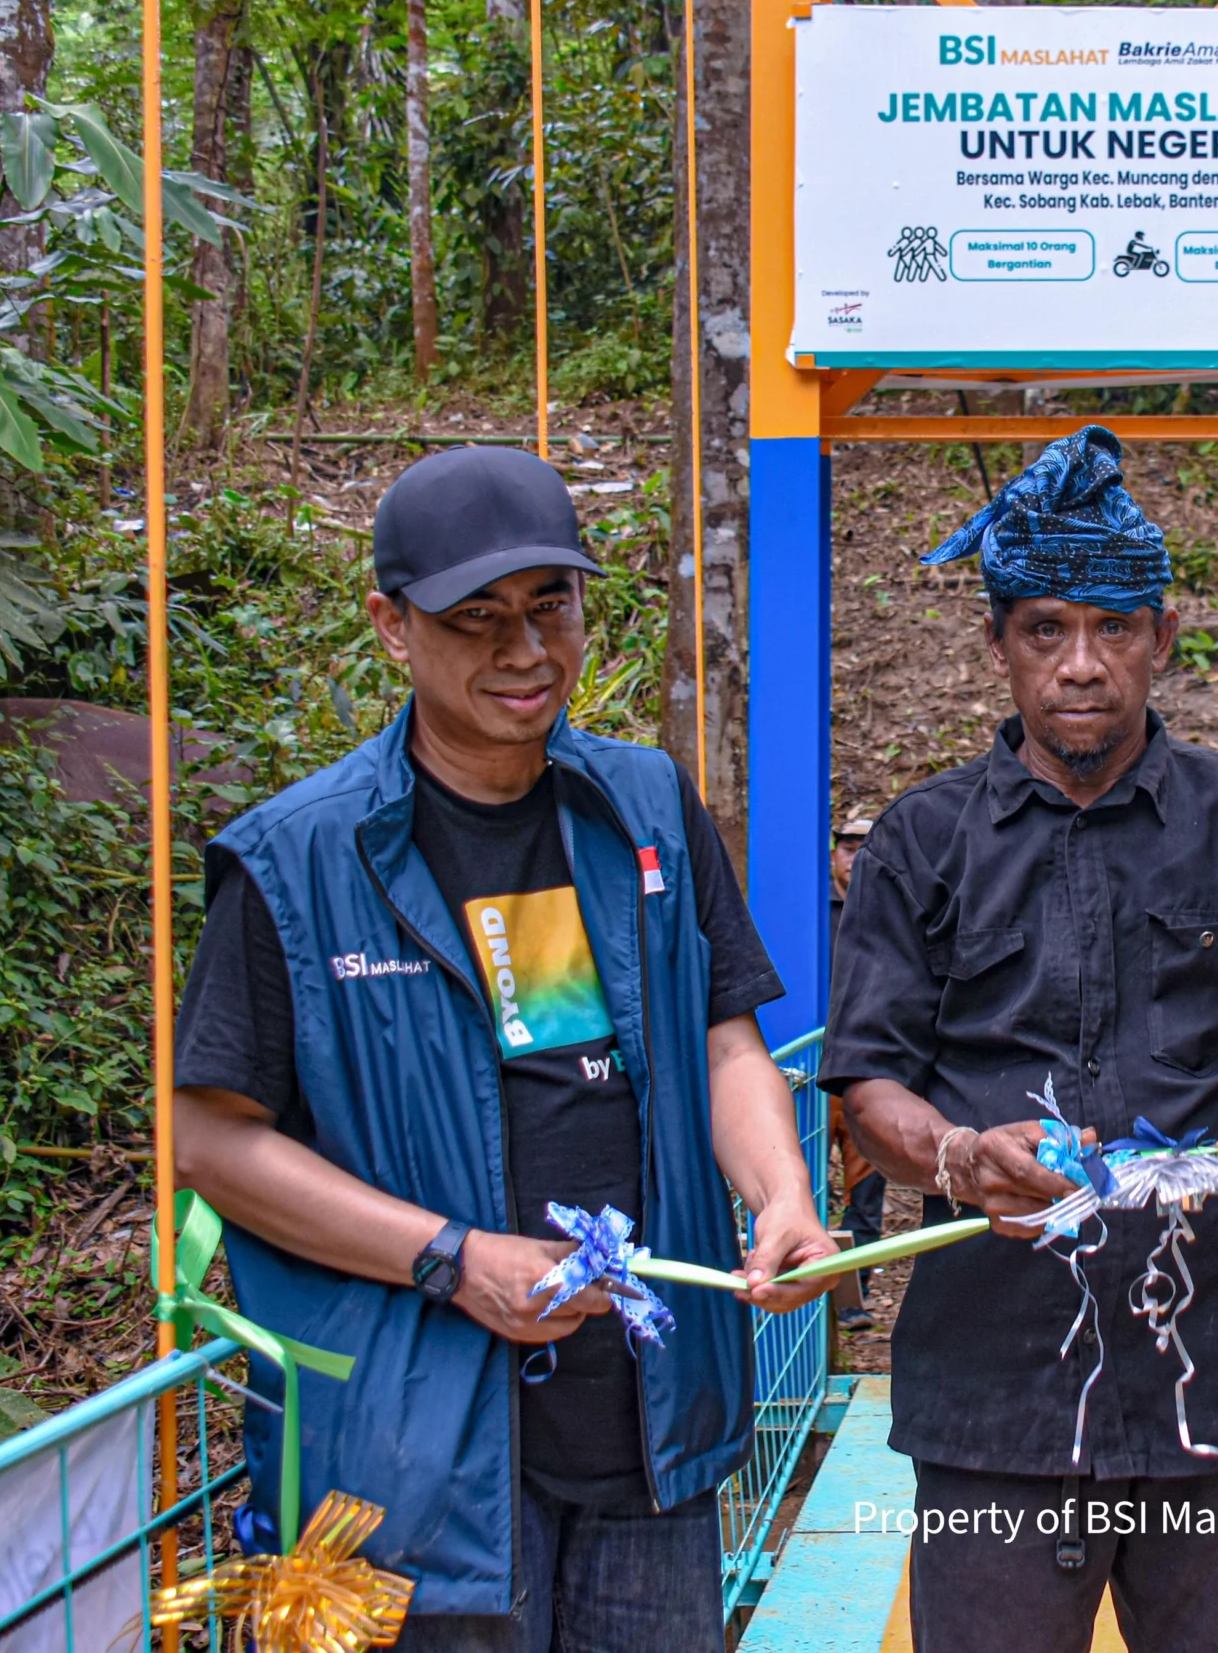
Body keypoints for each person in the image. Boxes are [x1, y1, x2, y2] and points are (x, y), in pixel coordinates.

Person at [172, 445, 837, 1651]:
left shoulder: (641, 807)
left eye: (551, 607)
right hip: (416, 1447)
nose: (526, 653)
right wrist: (450, 1256)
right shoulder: (297, 862)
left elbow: (722, 1039)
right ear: (391, 625)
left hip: (648, 1423)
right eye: (477, 621)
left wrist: (782, 1190)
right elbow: (209, 1138)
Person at [821, 426, 1218, 1653]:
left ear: (1162, 640)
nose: (1082, 666)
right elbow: (867, 1079)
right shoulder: (922, 840)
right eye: (1045, 631)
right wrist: (959, 1154)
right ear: (998, 645)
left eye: (1114, 629)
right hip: (995, 1388)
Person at [829, 814, 885, 1330]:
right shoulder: (812, 915)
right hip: (810, 1071)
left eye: (868, 846)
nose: (857, 856)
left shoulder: (890, 913)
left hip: (865, 1073)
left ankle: (853, 1297)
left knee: (864, 1194)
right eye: (849, 846)